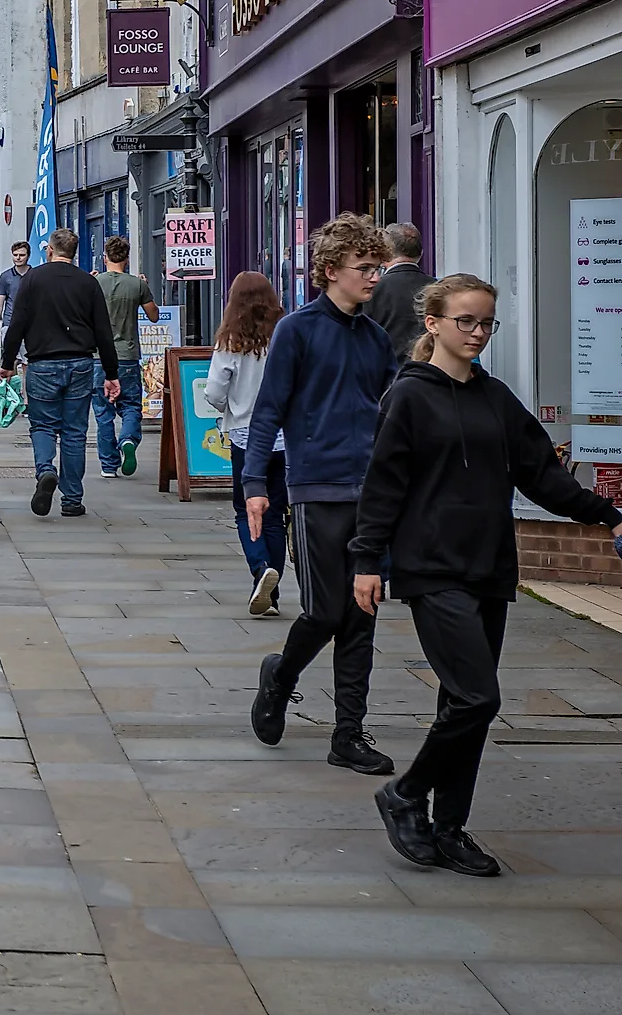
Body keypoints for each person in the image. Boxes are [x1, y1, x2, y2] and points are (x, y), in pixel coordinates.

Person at [354, 274, 622, 877]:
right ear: (434, 325)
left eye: (485, 324)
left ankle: (449, 828)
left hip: (490, 567)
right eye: (465, 322)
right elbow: (383, 485)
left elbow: (541, 476)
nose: (476, 333)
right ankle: (404, 794)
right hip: (430, 567)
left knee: (462, 703)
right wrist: (367, 560)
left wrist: (608, 514)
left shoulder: (496, 398)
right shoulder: (409, 397)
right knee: (480, 697)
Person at [245, 213, 399, 775]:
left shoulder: (378, 339)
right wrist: (256, 485)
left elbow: (391, 411)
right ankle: (281, 675)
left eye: (378, 267)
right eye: (364, 268)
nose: (374, 277)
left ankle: (349, 734)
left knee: (362, 615)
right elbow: (268, 411)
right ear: (330, 271)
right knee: (325, 610)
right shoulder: (298, 330)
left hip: (371, 494)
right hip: (315, 490)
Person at [0, 229, 120, 519]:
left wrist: (8, 362)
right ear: (74, 253)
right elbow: (103, 330)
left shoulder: (32, 279)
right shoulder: (88, 283)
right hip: (80, 364)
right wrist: (111, 373)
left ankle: (45, 471)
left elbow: (17, 324)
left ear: (50, 250)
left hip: (41, 364)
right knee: (74, 432)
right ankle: (72, 500)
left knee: (42, 426)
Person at [202, 271, 288, 618]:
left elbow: (214, 391)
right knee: (275, 516)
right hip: (283, 438)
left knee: (244, 509)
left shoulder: (231, 342)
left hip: (244, 435)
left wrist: (229, 409)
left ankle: (259, 569)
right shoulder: (285, 336)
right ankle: (274, 590)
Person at [94, 235, 156, 478]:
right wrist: (144, 287)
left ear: (105, 257)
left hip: (99, 356)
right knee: (130, 406)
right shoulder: (137, 285)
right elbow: (153, 315)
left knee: (103, 412)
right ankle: (128, 440)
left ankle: (109, 465)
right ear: (127, 259)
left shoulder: (95, 283)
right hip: (128, 355)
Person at [365, 223, 433, 361]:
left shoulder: (370, 288)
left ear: (384, 255)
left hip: (386, 376)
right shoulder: (438, 288)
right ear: (421, 253)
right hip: (429, 373)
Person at [0, 240, 33, 345]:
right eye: (15, 255)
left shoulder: (35, 275)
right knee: (11, 358)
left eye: (22, 255)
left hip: (31, 324)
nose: (18, 258)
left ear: (28, 256)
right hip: (9, 323)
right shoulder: (5, 277)